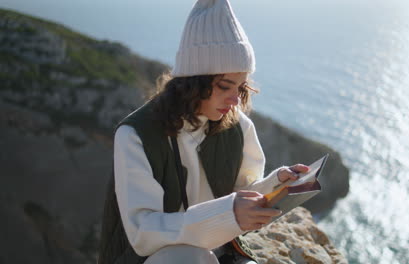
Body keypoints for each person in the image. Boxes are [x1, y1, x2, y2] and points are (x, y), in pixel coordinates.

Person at [98, 0, 309, 263]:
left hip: (224, 254)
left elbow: (243, 193)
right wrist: (228, 214)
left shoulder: (238, 126)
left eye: (240, 88)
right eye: (224, 86)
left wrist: (278, 184)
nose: (235, 101)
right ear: (193, 80)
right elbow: (144, 232)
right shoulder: (135, 135)